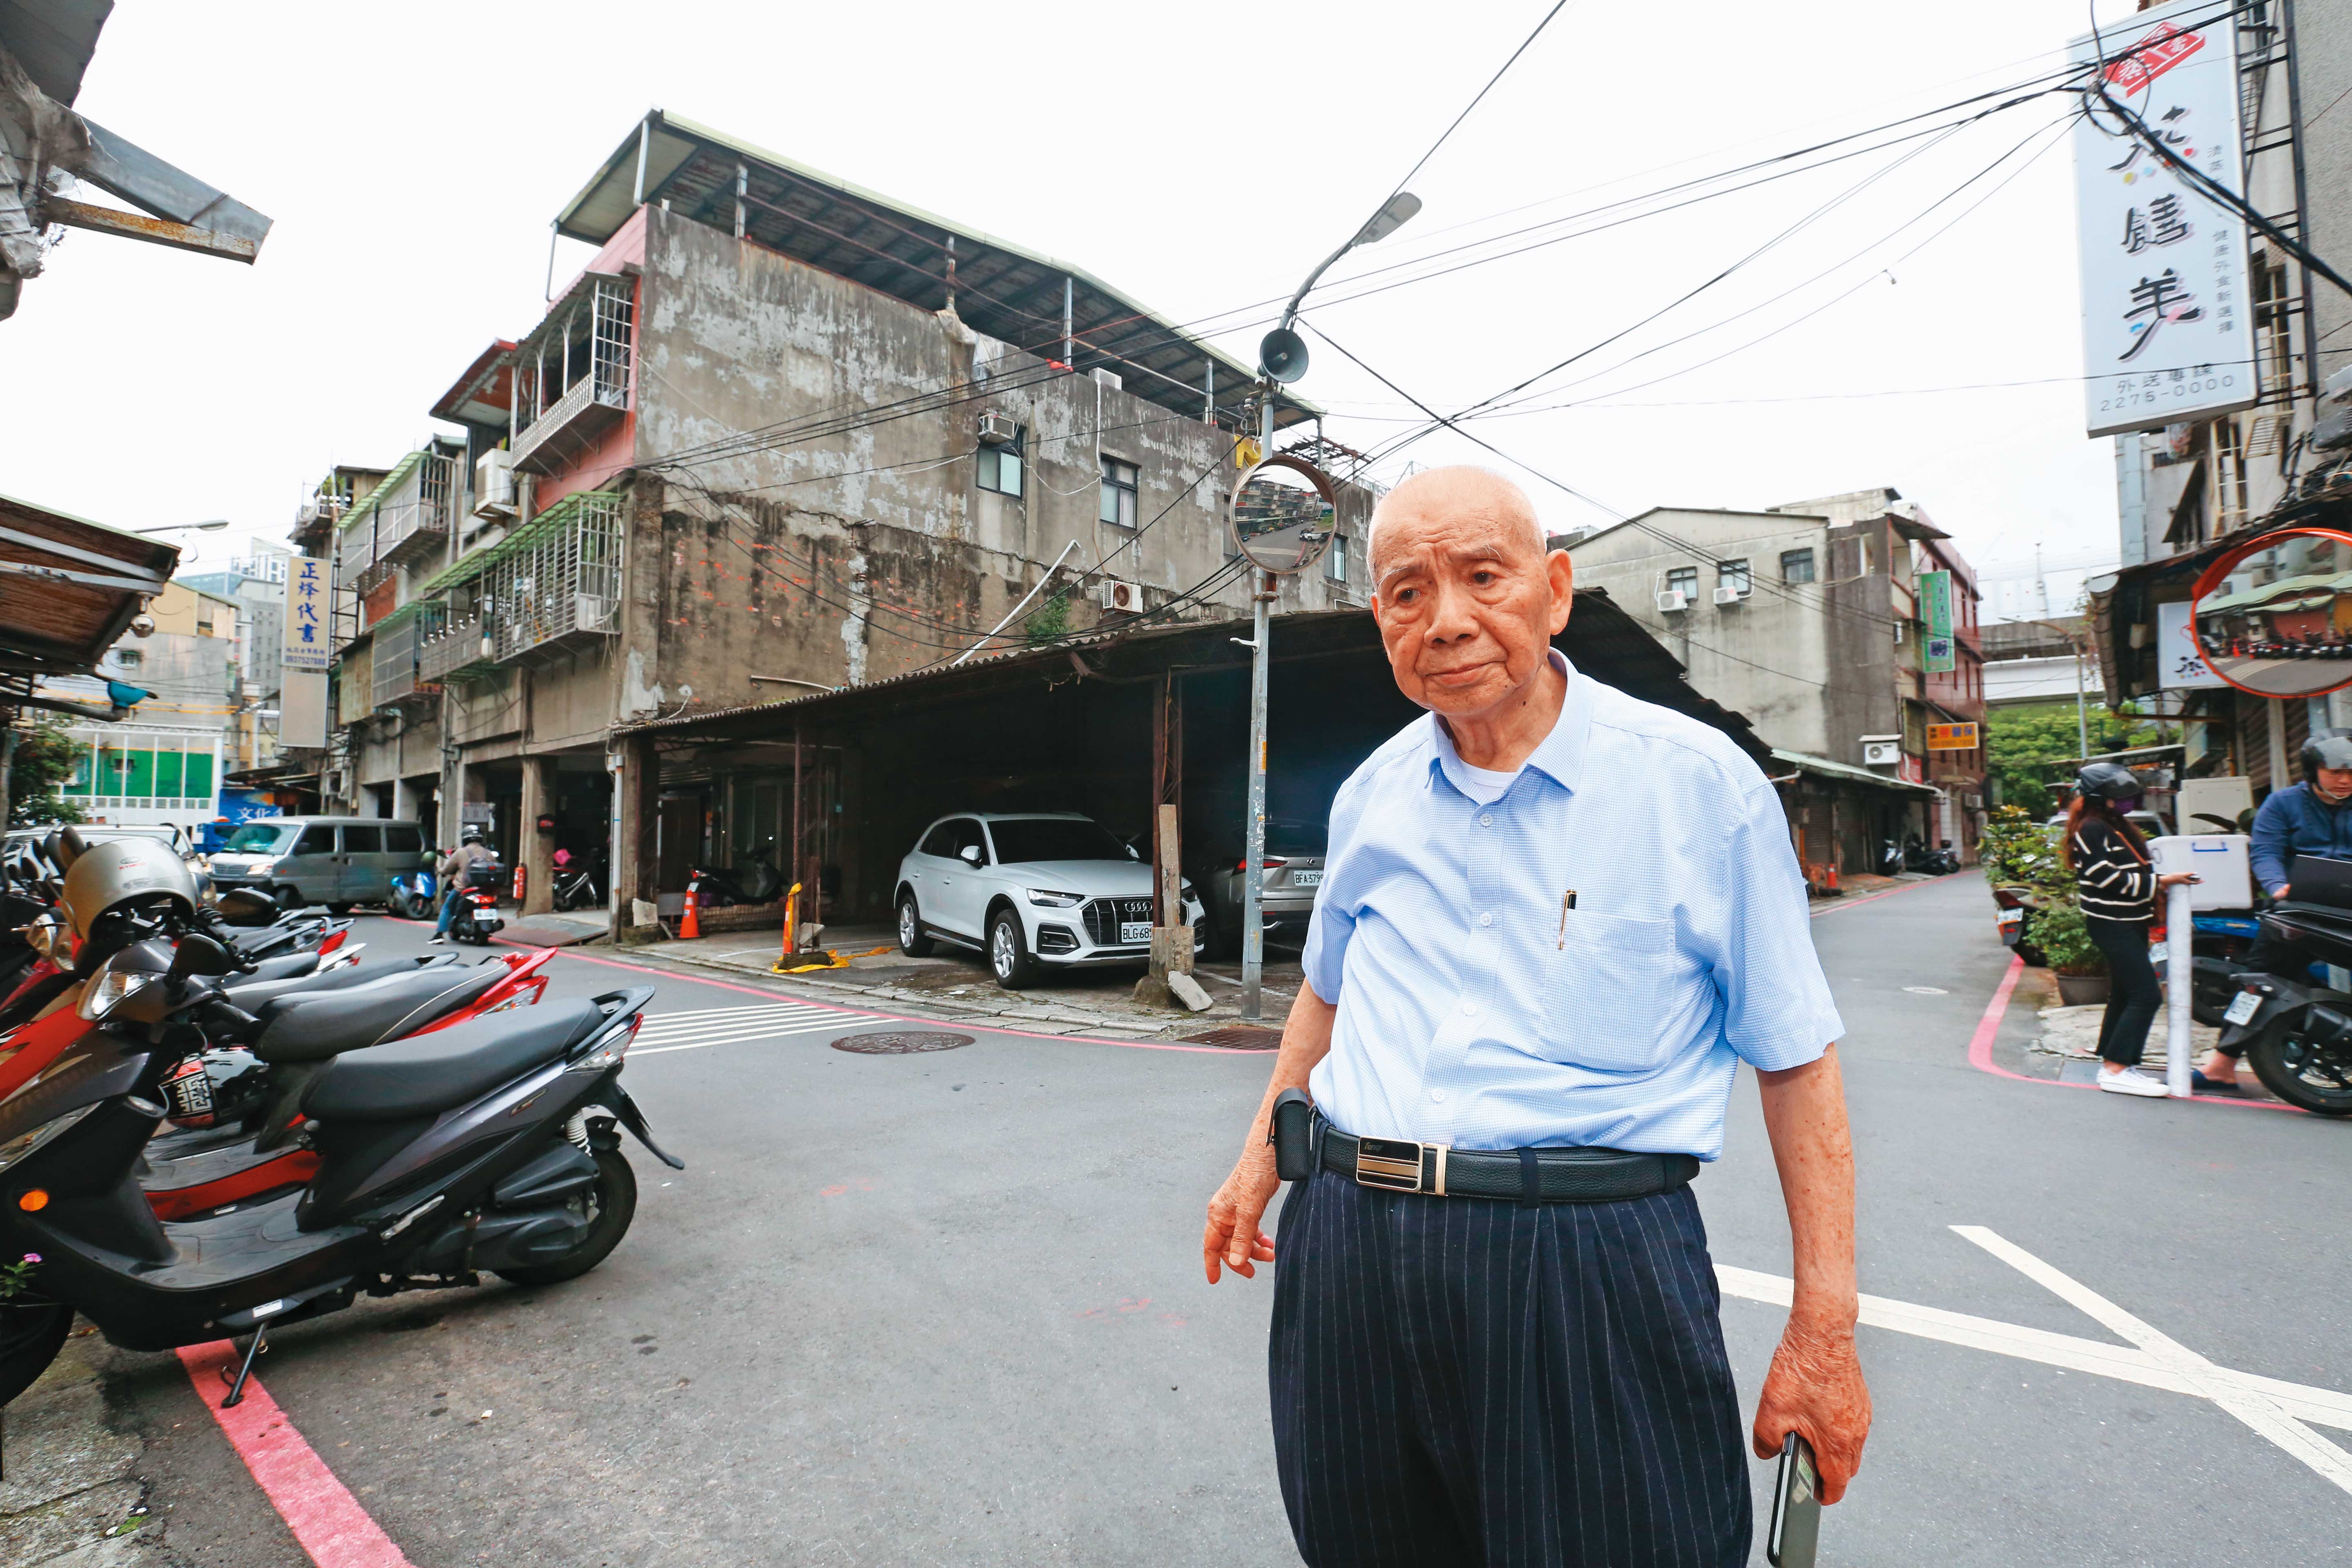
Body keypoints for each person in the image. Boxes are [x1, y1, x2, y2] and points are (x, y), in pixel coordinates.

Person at [1201, 467, 1871, 1568]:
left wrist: (1825, 1330)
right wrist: (1254, 1169)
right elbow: (1326, 993)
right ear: (1381, 618)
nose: (1447, 619)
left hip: (1583, 1265)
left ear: (1554, 590)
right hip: (1350, 1258)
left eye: (1482, 576)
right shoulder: (1372, 795)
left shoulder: (1696, 788)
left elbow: (1797, 1061)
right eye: (1408, 592)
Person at [2197, 731, 2352, 1091]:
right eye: (2335, 772)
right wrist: (2276, 884)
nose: (2345, 781)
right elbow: (2265, 850)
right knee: (2258, 983)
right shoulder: (2282, 804)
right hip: (2296, 910)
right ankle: (2222, 1065)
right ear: (2313, 772)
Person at [2065, 763, 2197, 1098]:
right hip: (2112, 924)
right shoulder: (2092, 828)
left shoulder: (2114, 825)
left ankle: (2115, 1062)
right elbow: (2105, 878)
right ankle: (2116, 1069)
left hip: (2131, 922)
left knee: (2126, 993)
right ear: (2101, 798)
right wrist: (2161, 882)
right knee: (2146, 995)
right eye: (2119, 796)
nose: (2127, 801)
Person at [431, 828, 495, 944]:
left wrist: (441, 871)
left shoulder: (461, 852)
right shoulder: (489, 854)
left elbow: (448, 869)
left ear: (465, 838)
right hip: (485, 890)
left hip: (463, 889)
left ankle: (439, 935)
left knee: (447, 907)